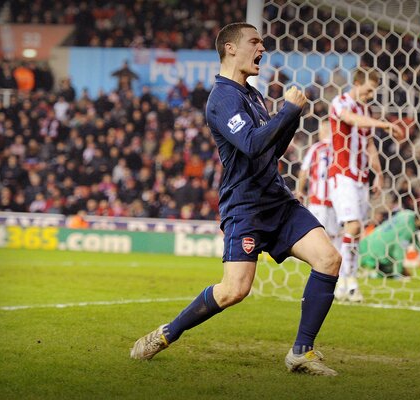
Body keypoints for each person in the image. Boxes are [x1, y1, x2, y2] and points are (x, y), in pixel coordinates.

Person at [130, 22, 342, 376]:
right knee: (234, 290)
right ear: (230, 48)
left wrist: (291, 117)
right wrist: (288, 112)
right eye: (255, 42)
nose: (262, 48)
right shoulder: (222, 97)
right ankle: (167, 333)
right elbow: (252, 145)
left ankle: (301, 352)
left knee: (329, 259)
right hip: (245, 207)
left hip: (277, 199)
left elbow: (270, 150)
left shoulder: (253, 94)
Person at [327, 68, 404, 302]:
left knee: (355, 232)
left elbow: (369, 145)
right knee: (352, 226)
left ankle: (344, 280)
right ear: (357, 83)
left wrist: (378, 174)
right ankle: (346, 279)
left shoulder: (366, 110)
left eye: (374, 91)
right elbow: (350, 120)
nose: (371, 95)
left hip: (361, 178)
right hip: (342, 175)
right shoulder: (340, 102)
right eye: (369, 90)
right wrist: (385, 125)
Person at [296, 119, 338, 239]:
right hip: (336, 201)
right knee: (334, 238)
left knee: (316, 237)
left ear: (323, 130)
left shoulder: (316, 148)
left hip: (318, 201)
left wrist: (299, 190)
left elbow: (304, 171)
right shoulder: (339, 149)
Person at [359, 209, 420, 278]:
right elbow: (399, 252)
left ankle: (365, 270)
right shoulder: (407, 229)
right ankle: (371, 273)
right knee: (385, 273)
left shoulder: (407, 214)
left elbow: (415, 239)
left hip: (370, 240)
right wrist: (398, 273)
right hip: (380, 252)